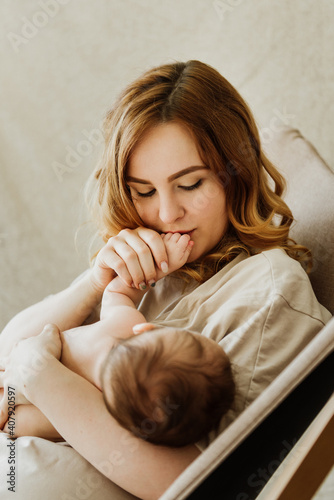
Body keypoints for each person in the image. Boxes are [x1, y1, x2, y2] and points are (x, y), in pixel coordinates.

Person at [0, 59, 331, 499]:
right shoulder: (151, 258)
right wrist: (94, 282)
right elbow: (8, 355)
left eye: (190, 184)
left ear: (237, 175)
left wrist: (45, 380)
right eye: (144, 191)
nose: (167, 213)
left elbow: (211, 487)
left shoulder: (270, 295)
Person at [0, 232, 236, 446]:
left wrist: (164, 266)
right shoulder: (97, 401)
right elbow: (17, 425)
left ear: (146, 329)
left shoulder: (124, 325)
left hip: (22, 353)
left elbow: (117, 290)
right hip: (23, 390)